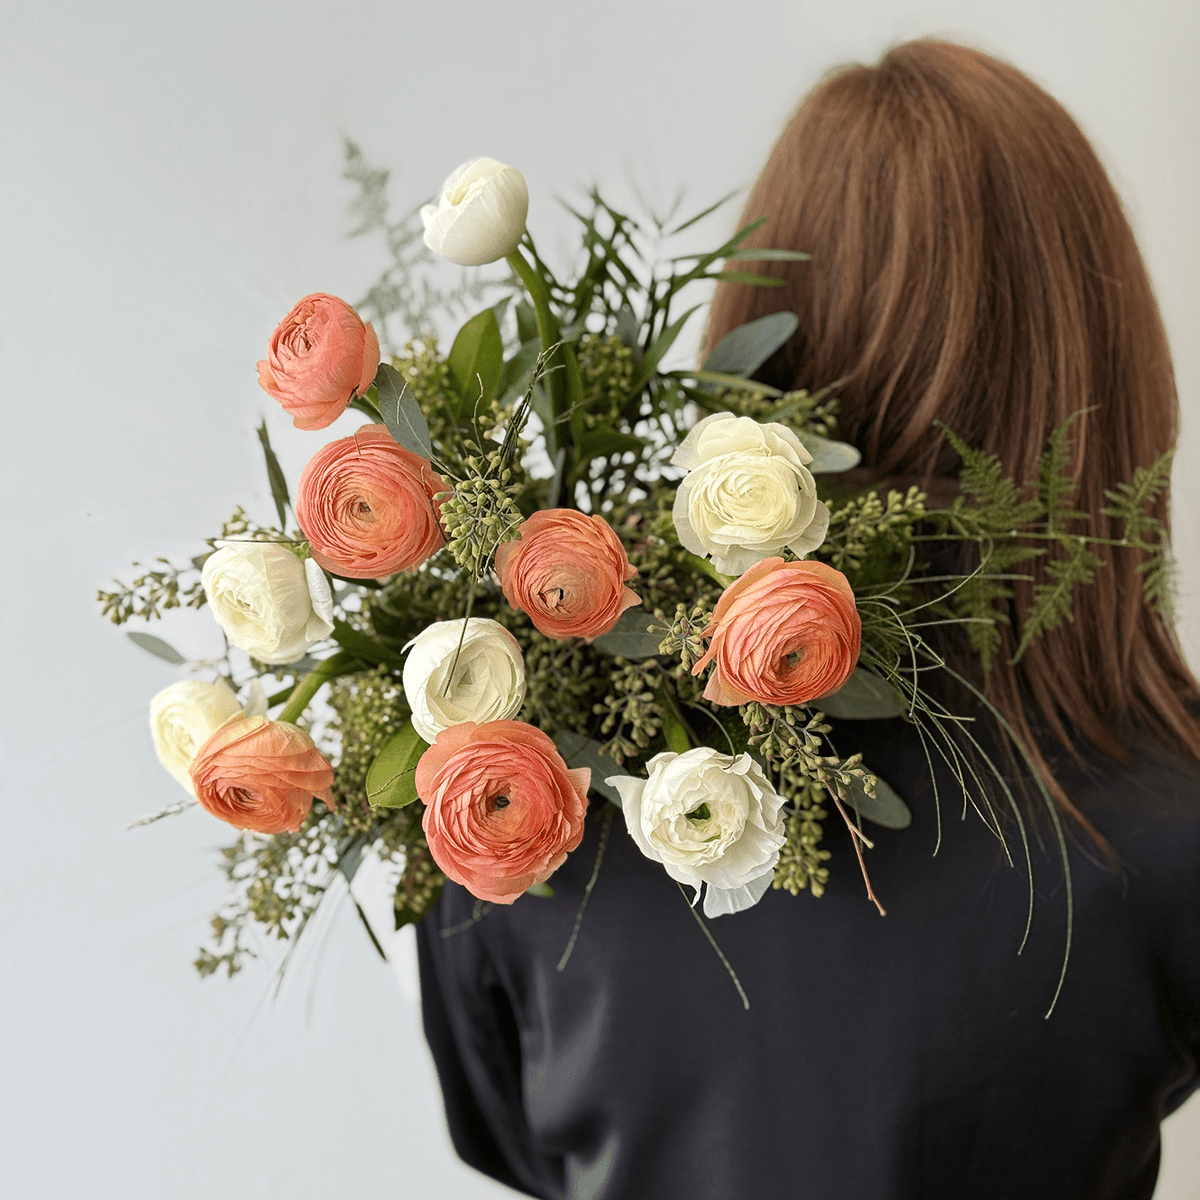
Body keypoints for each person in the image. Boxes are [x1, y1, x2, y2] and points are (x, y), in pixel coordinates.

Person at [416, 40, 1200, 1200]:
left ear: (762, 338)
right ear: (1100, 368)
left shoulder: (523, 785)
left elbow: (508, 1131)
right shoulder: (1166, 816)